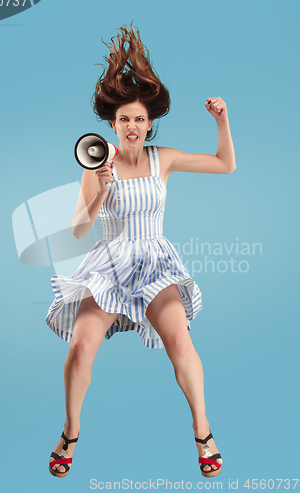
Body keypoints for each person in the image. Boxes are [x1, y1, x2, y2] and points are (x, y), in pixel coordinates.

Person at [46, 23, 236, 479]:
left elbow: (225, 165)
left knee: (180, 342)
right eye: (124, 119)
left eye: (139, 119)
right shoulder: (97, 165)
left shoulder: (163, 157)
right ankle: (70, 433)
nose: (132, 126)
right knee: (79, 350)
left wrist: (221, 120)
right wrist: (100, 188)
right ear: (112, 126)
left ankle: (203, 431)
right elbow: (77, 231)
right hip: (109, 265)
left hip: (154, 262)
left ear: (149, 124)